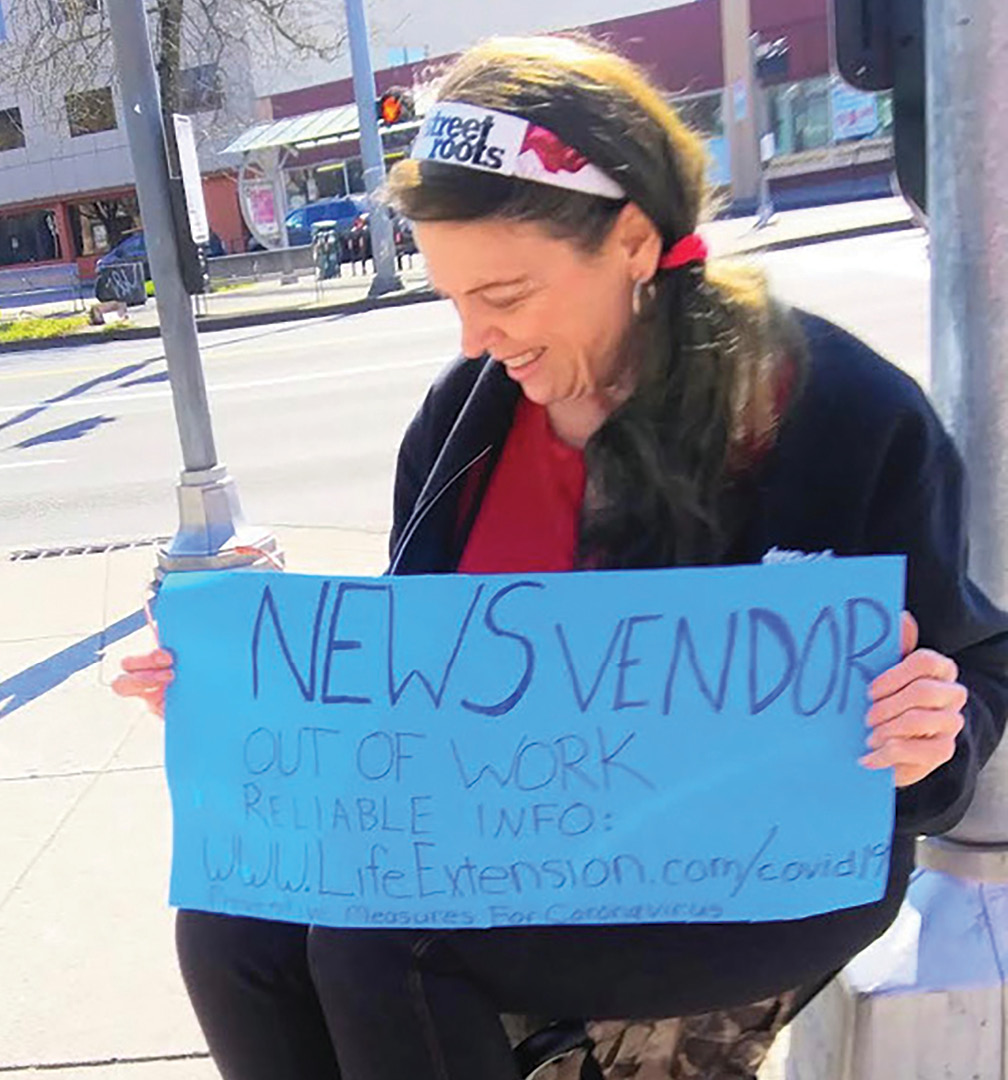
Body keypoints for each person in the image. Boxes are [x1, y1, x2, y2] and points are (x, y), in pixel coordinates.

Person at [113, 34, 1008, 1080]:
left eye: (504, 295)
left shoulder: (835, 412)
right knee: (230, 923)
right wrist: (240, 696)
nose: (475, 338)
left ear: (631, 239)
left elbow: (977, 666)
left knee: (380, 951)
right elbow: (417, 673)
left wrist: (930, 730)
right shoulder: (467, 419)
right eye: (455, 299)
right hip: (514, 835)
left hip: (748, 867)